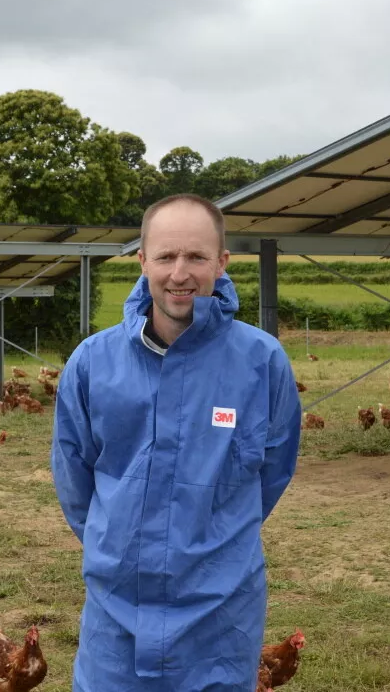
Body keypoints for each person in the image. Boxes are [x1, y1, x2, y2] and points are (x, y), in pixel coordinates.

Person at [51, 193, 303, 691]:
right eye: (165, 256)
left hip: (222, 614)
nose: (180, 274)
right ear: (143, 260)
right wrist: (119, 547)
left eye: (196, 257)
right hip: (116, 609)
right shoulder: (92, 363)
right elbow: (74, 478)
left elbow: (273, 471)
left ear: (222, 262)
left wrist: (215, 546)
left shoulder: (261, 362)